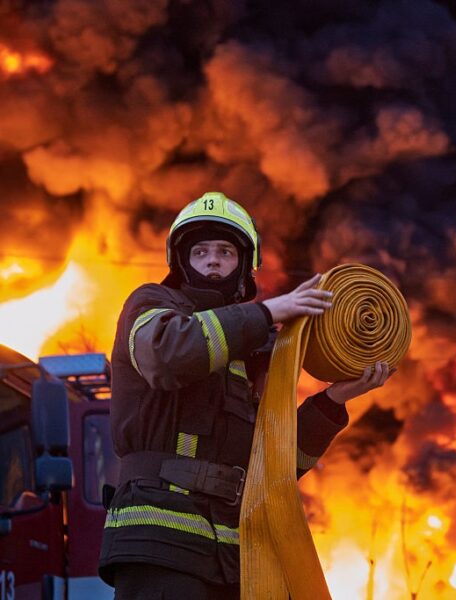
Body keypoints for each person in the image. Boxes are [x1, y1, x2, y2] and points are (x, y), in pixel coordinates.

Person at [98, 191, 392, 599]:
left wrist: (333, 400)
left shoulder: (253, 355)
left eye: (225, 251)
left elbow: (275, 467)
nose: (213, 261)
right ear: (181, 261)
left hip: (233, 556)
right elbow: (168, 356)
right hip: (159, 546)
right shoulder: (152, 304)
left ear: (244, 265)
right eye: (200, 251)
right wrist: (270, 313)